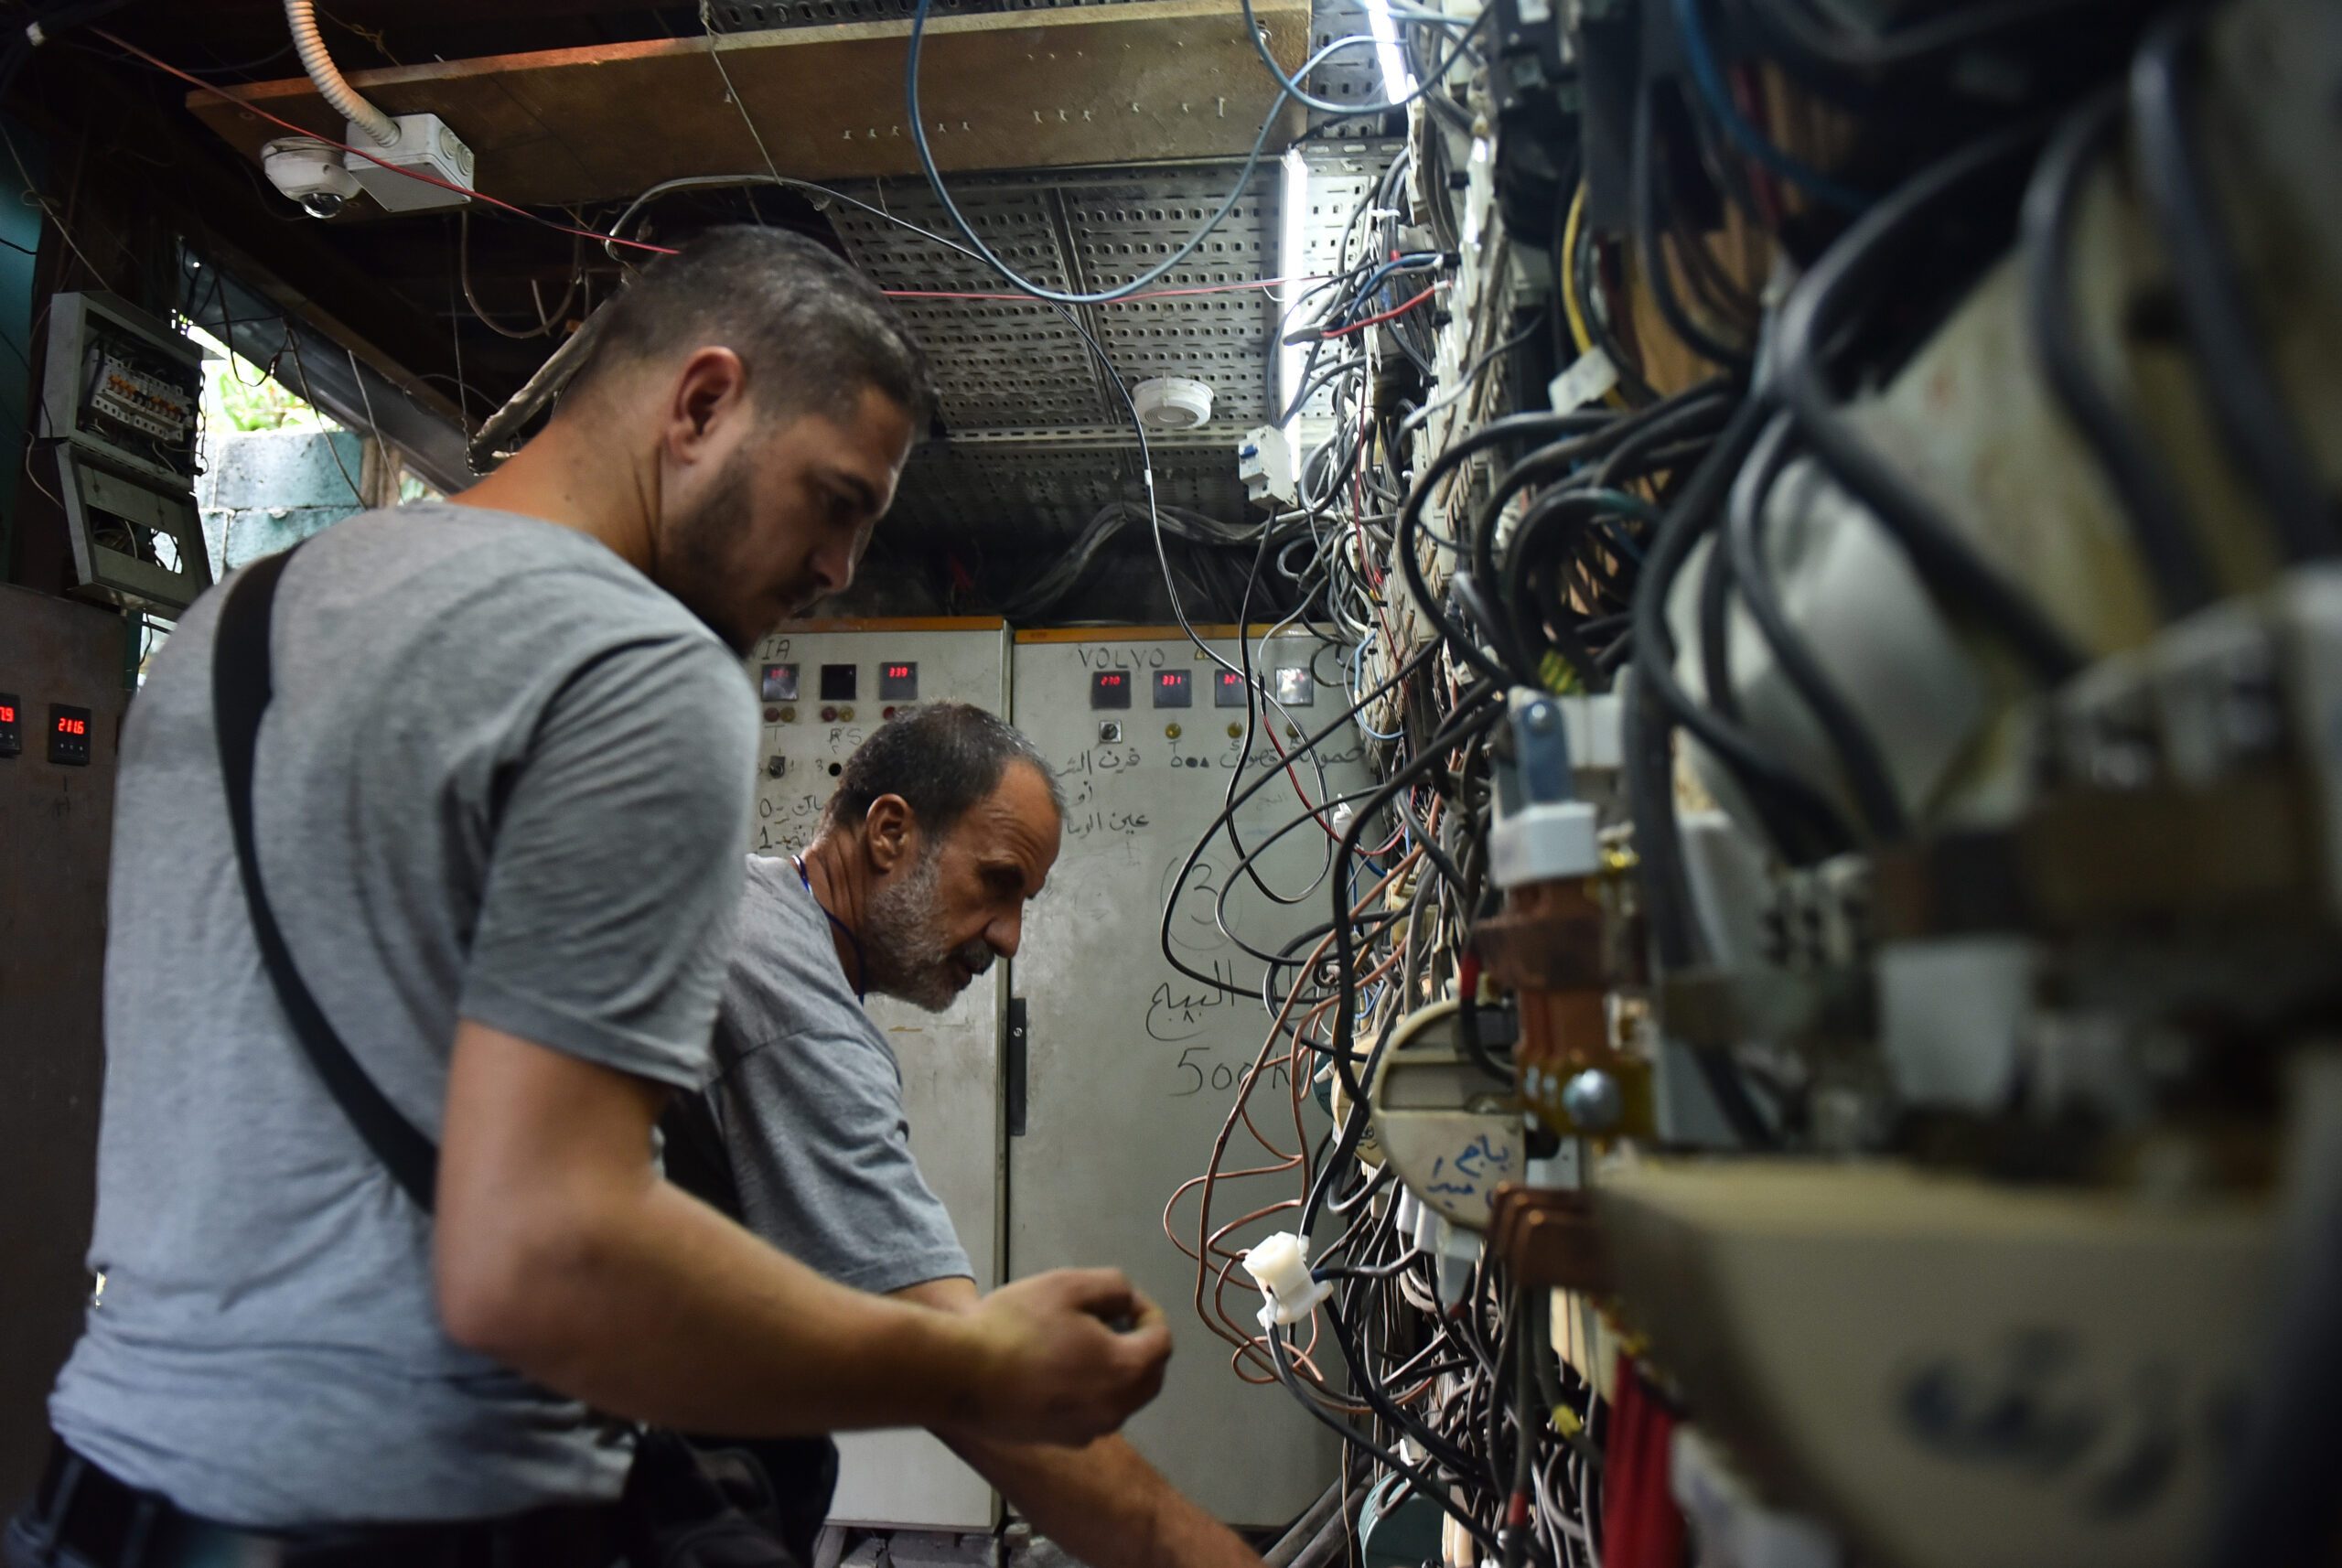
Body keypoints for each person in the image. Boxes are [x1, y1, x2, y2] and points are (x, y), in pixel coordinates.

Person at [6, 228, 1170, 1568]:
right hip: (410, 1524)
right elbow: (546, 1260)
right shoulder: (637, 666)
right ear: (702, 402)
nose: (842, 568)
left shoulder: (242, 622)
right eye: (838, 501)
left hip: (100, 1497)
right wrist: (969, 1367)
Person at [667, 705, 1263, 1568]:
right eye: (997, 882)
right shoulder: (796, 1015)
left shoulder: (751, 906)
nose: (1010, 936)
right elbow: (973, 1383)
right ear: (889, 833)